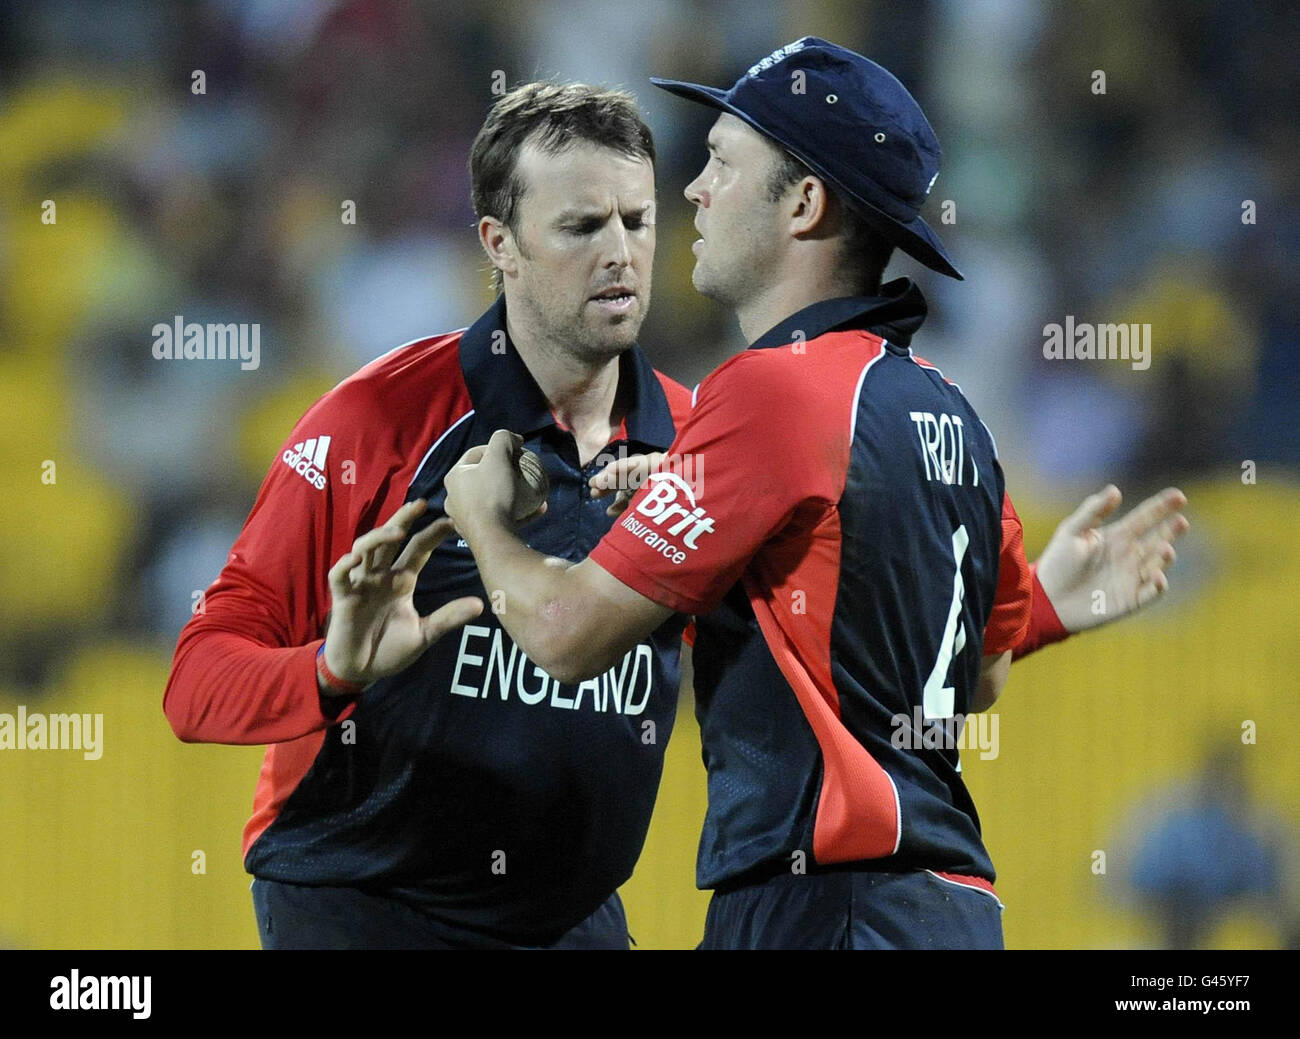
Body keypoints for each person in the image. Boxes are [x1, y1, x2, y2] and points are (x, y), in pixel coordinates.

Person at [442, 38, 1189, 949]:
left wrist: (481, 517)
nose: (693, 191)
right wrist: (1052, 604)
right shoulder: (956, 415)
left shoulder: (773, 393)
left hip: (820, 907)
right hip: (949, 913)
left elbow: (562, 635)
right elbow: (971, 679)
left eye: (721, 162)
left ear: (803, 204)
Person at [163, 82, 695, 949]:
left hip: (568, 921)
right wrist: (330, 672)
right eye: (580, 226)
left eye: (637, 222)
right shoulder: (378, 422)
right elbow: (196, 684)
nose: (620, 255)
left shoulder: (690, 441)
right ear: (500, 244)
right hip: (363, 899)